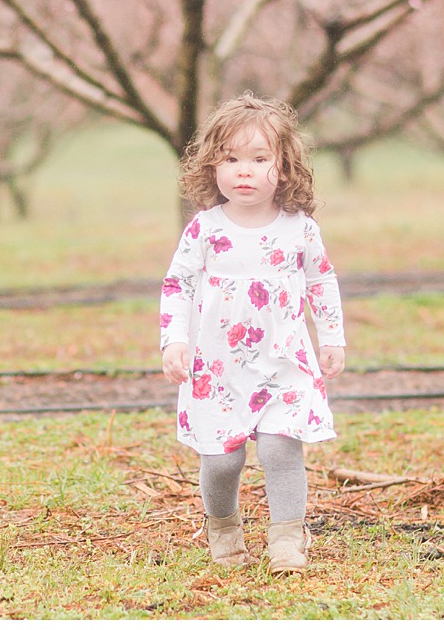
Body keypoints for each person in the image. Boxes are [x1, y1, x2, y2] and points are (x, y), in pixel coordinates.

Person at [158, 93, 346, 573]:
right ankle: (223, 529)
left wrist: (331, 337)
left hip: (284, 360)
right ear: (211, 166)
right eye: (232, 159)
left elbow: (321, 280)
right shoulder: (205, 229)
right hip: (219, 365)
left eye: (260, 159)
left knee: (282, 445)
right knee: (222, 460)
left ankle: (287, 539)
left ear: (283, 168)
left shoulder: (299, 229)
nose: (244, 170)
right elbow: (178, 284)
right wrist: (174, 340)